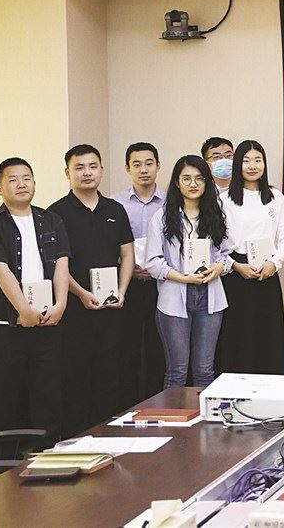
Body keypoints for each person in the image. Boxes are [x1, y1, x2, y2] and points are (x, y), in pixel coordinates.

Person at [0, 158, 71, 453]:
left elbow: (62, 265)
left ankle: (46, 458)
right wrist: (23, 311)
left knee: (48, 394)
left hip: (47, 320)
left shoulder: (51, 220)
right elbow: (1, 272)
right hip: (5, 324)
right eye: (13, 179)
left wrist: (61, 304)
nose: (21, 184)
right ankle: (0, 467)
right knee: (4, 398)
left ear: (34, 183)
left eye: (26, 178)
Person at [48, 144, 135, 436]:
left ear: (101, 170)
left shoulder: (115, 209)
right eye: (79, 167)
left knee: (110, 376)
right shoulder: (56, 213)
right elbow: (57, 265)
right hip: (75, 310)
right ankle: (77, 440)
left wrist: (122, 290)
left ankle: (108, 438)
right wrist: (81, 294)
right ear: (67, 173)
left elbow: (127, 255)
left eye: (92, 167)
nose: (87, 173)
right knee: (76, 378)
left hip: (112, 308)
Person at [146, 156, 229, 388]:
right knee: (177, 371)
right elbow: (153, 262)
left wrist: (218, 267)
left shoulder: (216, 214)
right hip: (174, 298)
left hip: (210, 298)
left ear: (206, 182)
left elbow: (225, 255)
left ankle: (202, 413)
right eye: (187, 179)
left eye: (199, 179)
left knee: (204, 370)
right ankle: (174, 414)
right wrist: (183, 277)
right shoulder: (162, 217)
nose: (193, 184)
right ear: (177, 182)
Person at [217, 140, 284, 374]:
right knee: (237, 338)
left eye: (257, 160)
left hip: (267, 273)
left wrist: (274, 263)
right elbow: (217, 244)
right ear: (237, 164)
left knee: (268, 337)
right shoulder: (224, 199)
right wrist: (235, 266)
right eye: (246, 160)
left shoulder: (275, 197)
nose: (252, 166)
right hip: (236, 275)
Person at [112, 142, 166, 407]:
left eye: (149, 163)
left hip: (162, 284)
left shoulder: (171, 201)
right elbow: (110, 244)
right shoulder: (115, 204)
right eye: (137, 164)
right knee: (127, 348)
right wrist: (124, 267)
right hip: (128, 283)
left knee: (160, 348)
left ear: (158, 166)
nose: (143, 169)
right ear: (127, 168)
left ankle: (157, 404)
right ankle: (127, 407)